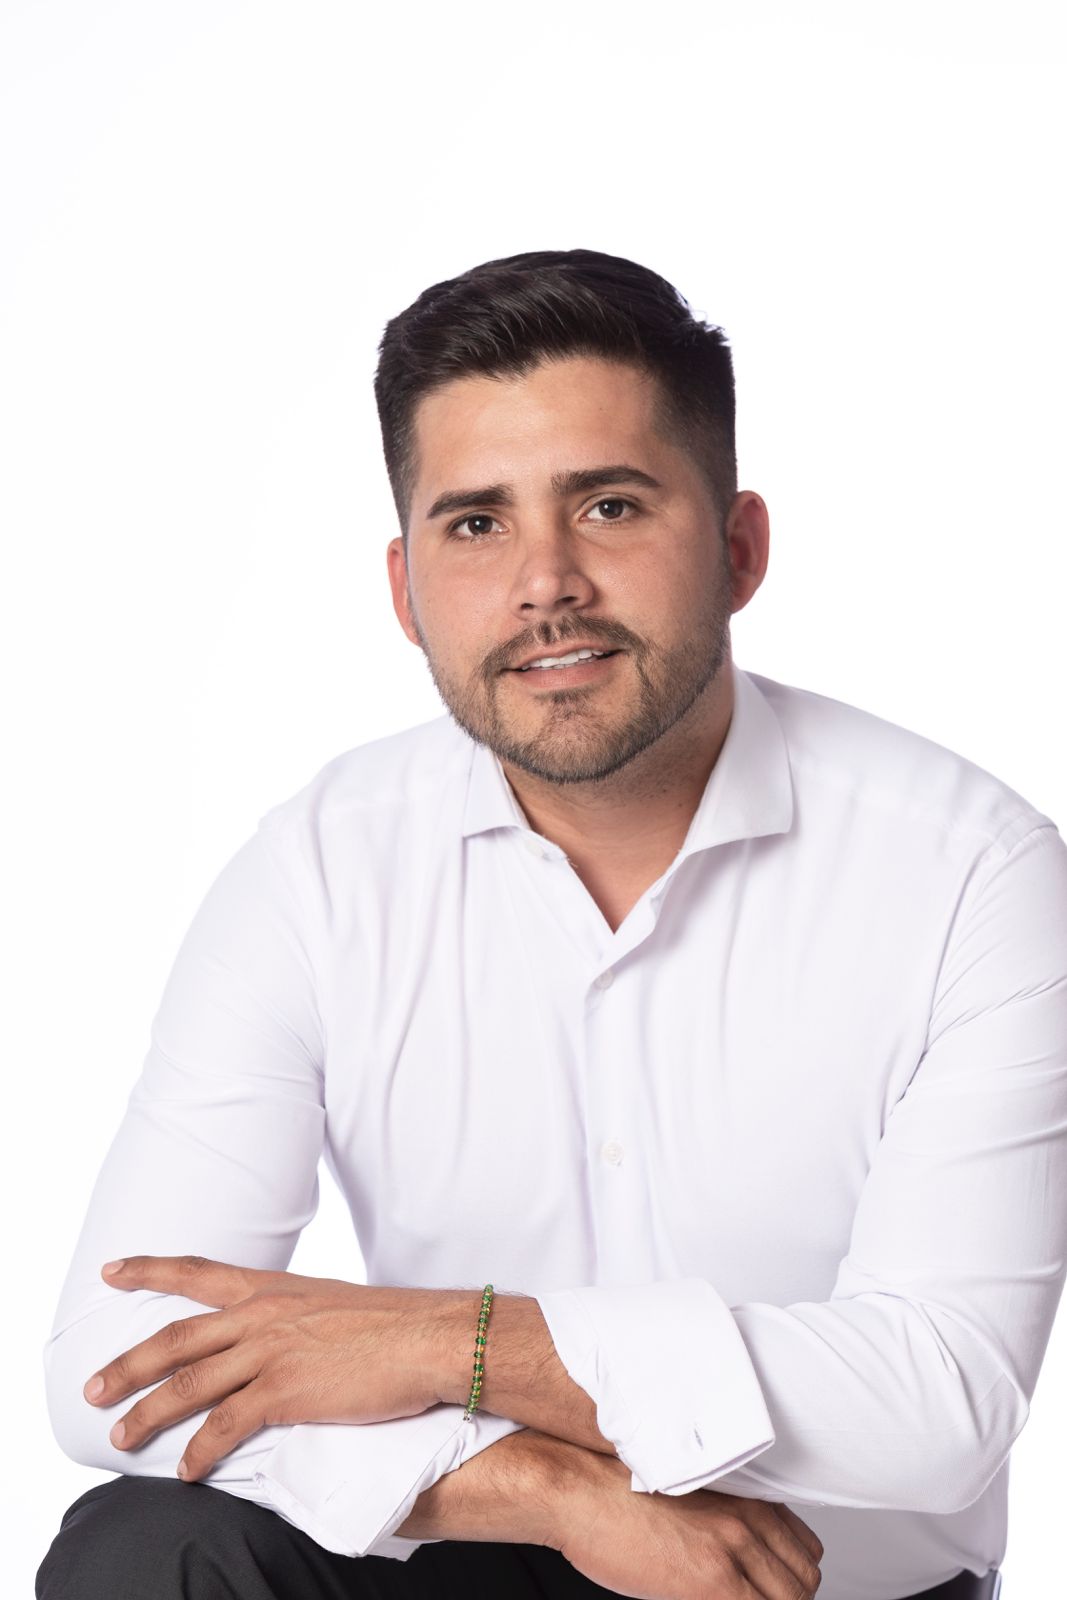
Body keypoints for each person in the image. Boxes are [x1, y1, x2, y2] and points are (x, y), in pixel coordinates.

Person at [36, 248, 1065, 1600]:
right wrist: (541, 1484)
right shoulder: (320, 869)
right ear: (405, 589)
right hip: (474, 1563)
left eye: (610, 506)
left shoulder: (973, 873)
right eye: (477, 524)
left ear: (740, 549)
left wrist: (449, 1344)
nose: (545, 583)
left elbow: (939, 1402)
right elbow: (115, 1368)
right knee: (140, 1552)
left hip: (815, 1587)